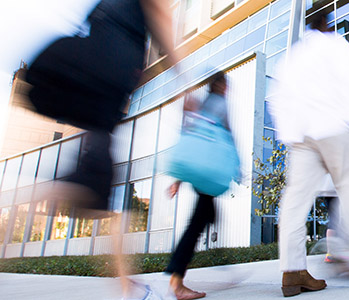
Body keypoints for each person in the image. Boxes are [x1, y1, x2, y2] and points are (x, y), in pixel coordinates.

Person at [25, 0, 176, 298]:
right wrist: (181, 71)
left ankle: (127, 287)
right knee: (108, 201)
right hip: (110, 68)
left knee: (98, 191)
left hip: (96, 74)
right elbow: (159, 15)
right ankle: (128, 289)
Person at [269, 12, 349, 297]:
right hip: (336, 127)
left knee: (295, 202)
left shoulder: (293, 56)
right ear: (329, 25)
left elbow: (278, 96)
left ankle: (292, 271)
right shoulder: (338, 46)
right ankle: (341, 250)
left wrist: (290, 134)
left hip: (302, 136)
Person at [164, 72, 231, 300]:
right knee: (195, 226)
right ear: (220, 85)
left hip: (200, 173)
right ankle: (177, 281)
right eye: (226, 84)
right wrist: (235, 168)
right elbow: (227, 137)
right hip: (210, 173)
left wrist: (179, 180)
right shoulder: (220, 104)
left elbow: (192, 140)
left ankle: (220, 259)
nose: (228, 89)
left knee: (208, 215)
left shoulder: (203, 105)